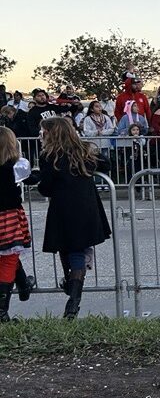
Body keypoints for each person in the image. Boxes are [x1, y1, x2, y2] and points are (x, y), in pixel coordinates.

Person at [37, 117, 112, 319]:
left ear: (51, 133)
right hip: (86, 205)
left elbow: (46, 187)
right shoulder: (84, 150)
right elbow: (107, 164)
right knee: (77, 249)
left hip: (63, 207)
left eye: (43, 132)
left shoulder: (50, 155)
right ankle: (74, 295)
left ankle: (72, 290)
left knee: (67, 247)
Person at [0, 127, 35, 323]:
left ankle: (23, 284)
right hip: (8, 215)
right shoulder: (15, 166)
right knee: (9, 257)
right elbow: (31, 178)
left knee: (8, 253)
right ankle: (2, 312)